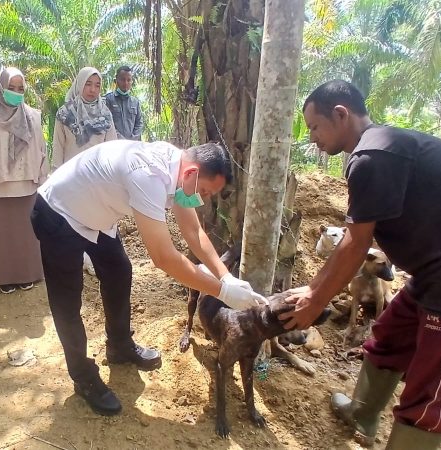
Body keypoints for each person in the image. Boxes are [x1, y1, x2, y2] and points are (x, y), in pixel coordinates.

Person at [281, 80, 441, 449]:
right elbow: (352, 238)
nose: (311, 137)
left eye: (315, 126)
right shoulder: (380, 149)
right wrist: (314, 289)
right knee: (392, 334)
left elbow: (357, 246)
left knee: (434, 384)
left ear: (341, 114)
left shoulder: (373, 158)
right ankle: (361, 412)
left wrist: (315, 301)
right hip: (436, 270)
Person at [31, 140, 267, 416]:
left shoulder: (178, 172)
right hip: (59, 212)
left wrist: (226, 278)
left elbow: (193, 232)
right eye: (204, 191)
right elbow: (163, 257)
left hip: (97, 213)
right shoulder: (149, 176)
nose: (203, 199)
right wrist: (222, 293)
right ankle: (83, 376)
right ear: (191, 173)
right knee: (67, 303)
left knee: (119, 272)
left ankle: (119, 346)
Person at [0, 67, 48, 294]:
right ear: (1, 88)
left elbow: (41, 150)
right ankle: (4, 278)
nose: (16, 92)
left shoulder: (33, 115)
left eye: (20, 88)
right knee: (2, 234)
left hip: (28, 183)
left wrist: (43, 180)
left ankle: (27, 274)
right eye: (11, 88)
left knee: (27, 234)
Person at [51, 67, 117, 171]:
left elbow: (112, 148)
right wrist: (56, 173)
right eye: (88, 84)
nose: (92, 90)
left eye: (97, 85)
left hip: (98, 176)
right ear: (80, 84)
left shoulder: (105, 114)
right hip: (70, 176)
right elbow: (58, 146)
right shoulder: (65, 113)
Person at [105, 66, 143, 141]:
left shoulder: (136, 102)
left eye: (129, 80)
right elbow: (107, 123)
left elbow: (139, 124)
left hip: (132, 146)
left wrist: (132, 139)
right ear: (116, 81)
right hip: (114, 144)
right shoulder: (108, 100)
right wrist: (122, 140)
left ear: (132, 81)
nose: (126, 83)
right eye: (122, 80)